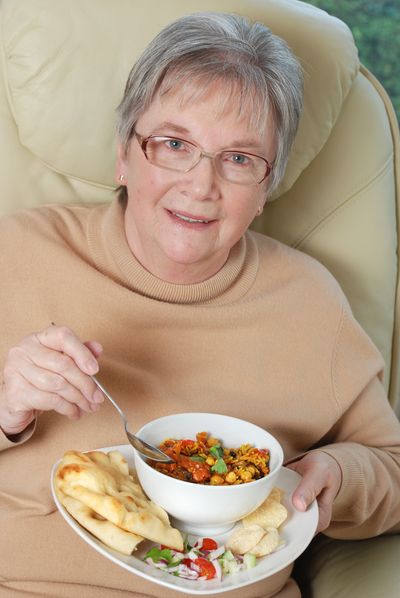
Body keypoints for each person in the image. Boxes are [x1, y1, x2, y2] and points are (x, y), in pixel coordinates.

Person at [0, 11, 399, 598]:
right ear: (122, 154)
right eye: (173, 143)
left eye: (239, 159)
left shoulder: (310, 302)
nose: (200, 184)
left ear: (267, 187)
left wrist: (341, 474)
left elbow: (390, 465)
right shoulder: (17, 253)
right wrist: (5, 408)